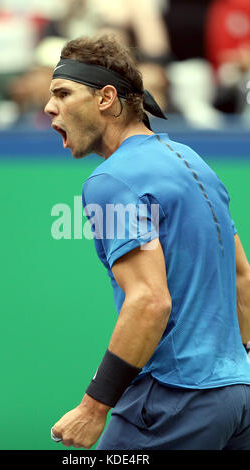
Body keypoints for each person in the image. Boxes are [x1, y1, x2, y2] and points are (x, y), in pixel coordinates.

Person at [45, 35, 250, 450]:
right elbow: (242, 277)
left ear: (105, 98)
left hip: (173, 402)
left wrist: (93, 409)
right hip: (237, 398)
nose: (50, 108)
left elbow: (149, 301)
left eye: (63, 94)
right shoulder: (192, 161)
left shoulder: (111, 180)